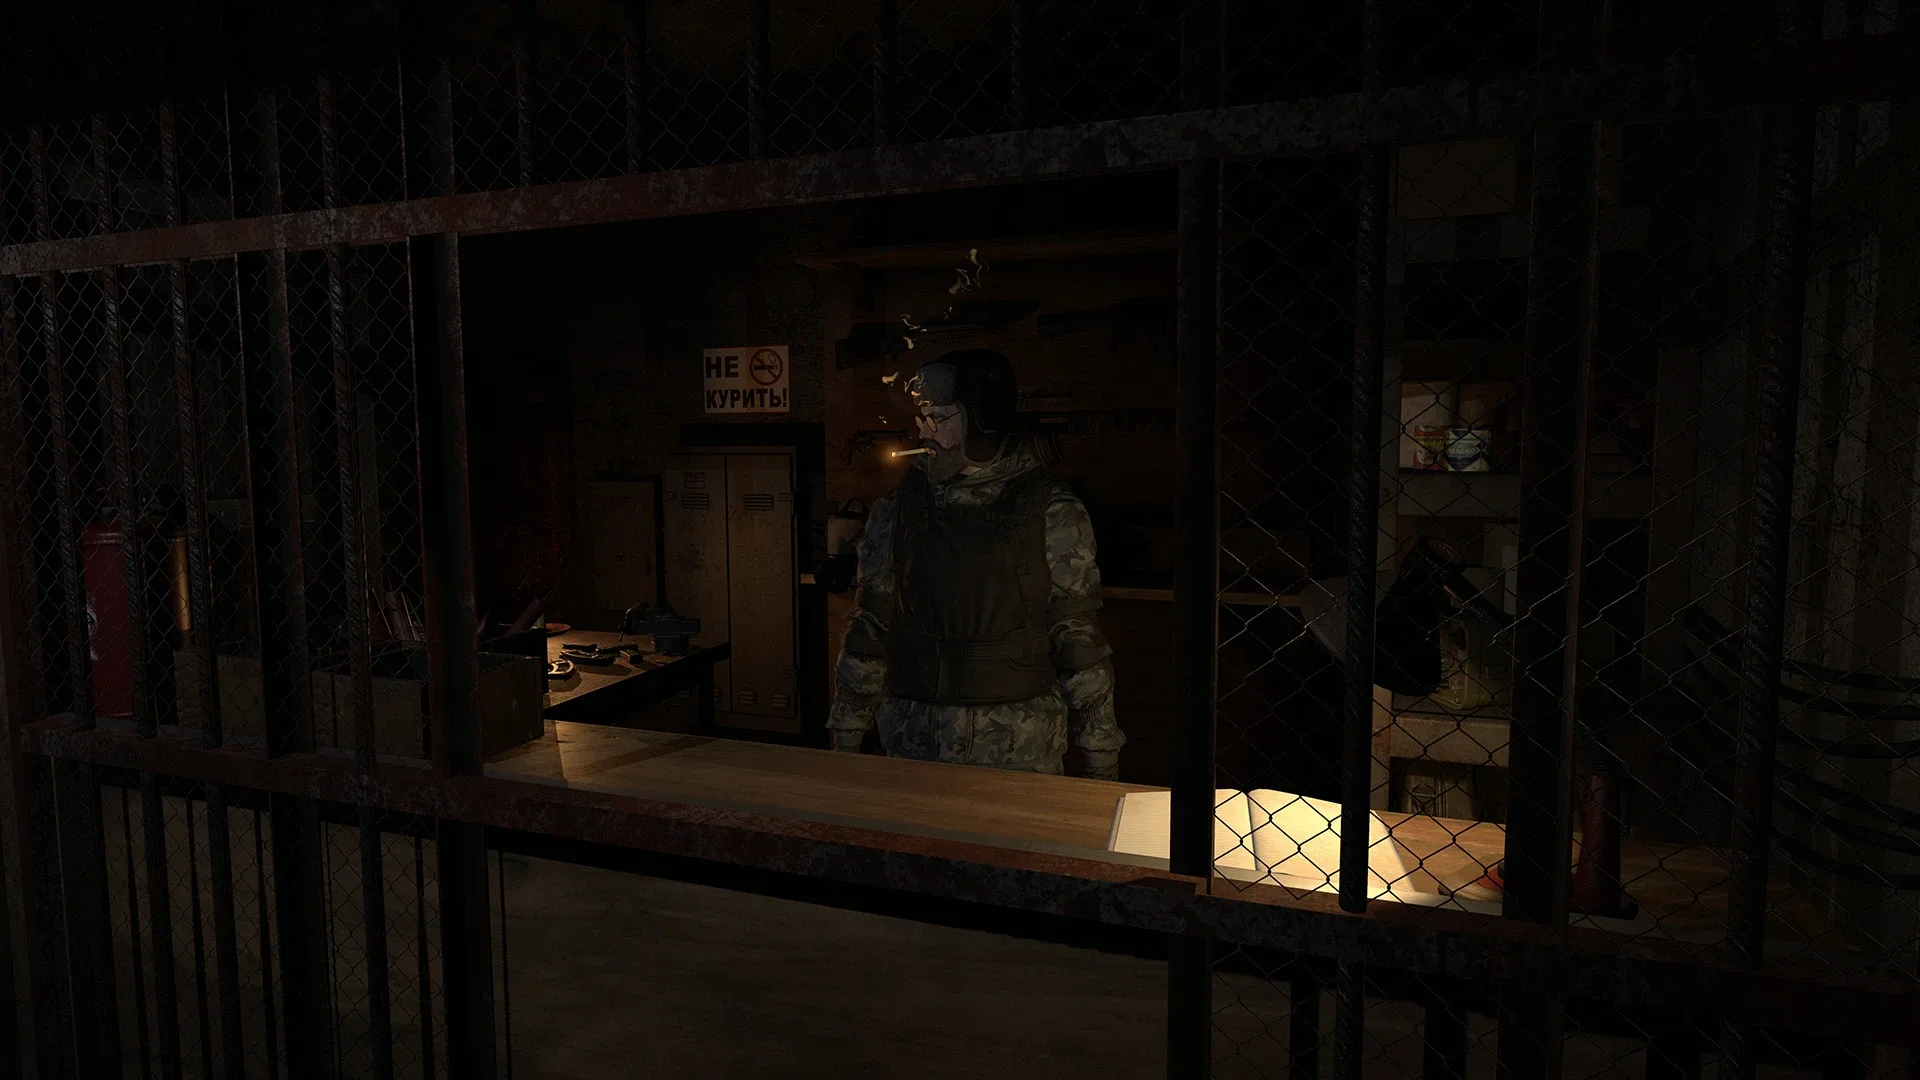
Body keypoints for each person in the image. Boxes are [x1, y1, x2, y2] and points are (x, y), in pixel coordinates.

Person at [826, 350, 1125, 780]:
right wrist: (846, 736)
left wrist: (1100, 755)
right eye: (923, 417)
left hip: (1019, 748)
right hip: (914, 742)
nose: (924, 431)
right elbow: (869, 627)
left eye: (939, 418)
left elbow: (1077, 639)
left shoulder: (1052, 510)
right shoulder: (898, 509)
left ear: (981, 420)